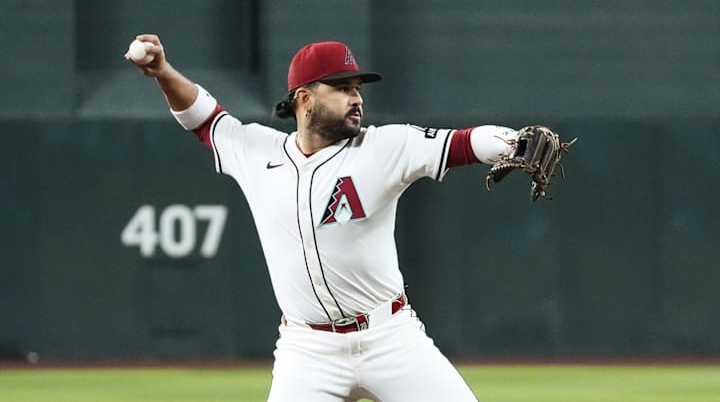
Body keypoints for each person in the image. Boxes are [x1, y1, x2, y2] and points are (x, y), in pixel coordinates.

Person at [127, 34, 521, 402]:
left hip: (390, 337)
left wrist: (516, 142)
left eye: (357, 89)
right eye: (342, 88)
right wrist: (163, 72)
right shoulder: (255, 151)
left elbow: (462, 143)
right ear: (305, 99)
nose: (356, 99)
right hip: (308, 350)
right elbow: (203, 118)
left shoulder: (384, 146)